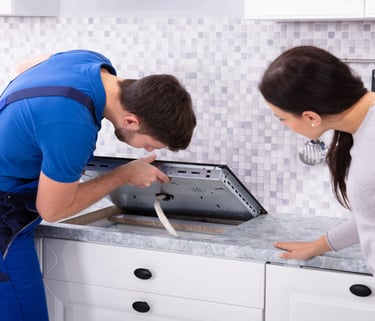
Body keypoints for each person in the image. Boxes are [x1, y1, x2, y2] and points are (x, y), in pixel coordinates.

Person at [0, 49, 196, 321]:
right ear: (131, 121)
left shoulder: (89, 62)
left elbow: (25, 66)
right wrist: (123, 175)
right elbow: (52, 210)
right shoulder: (72, 125)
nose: (148, 150)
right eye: (150, 145)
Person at [258, 45, 375, 276]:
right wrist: (319, 245)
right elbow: (370, 214)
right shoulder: (362, 129)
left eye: (282, 118)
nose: (284, 125)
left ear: (311, 117)